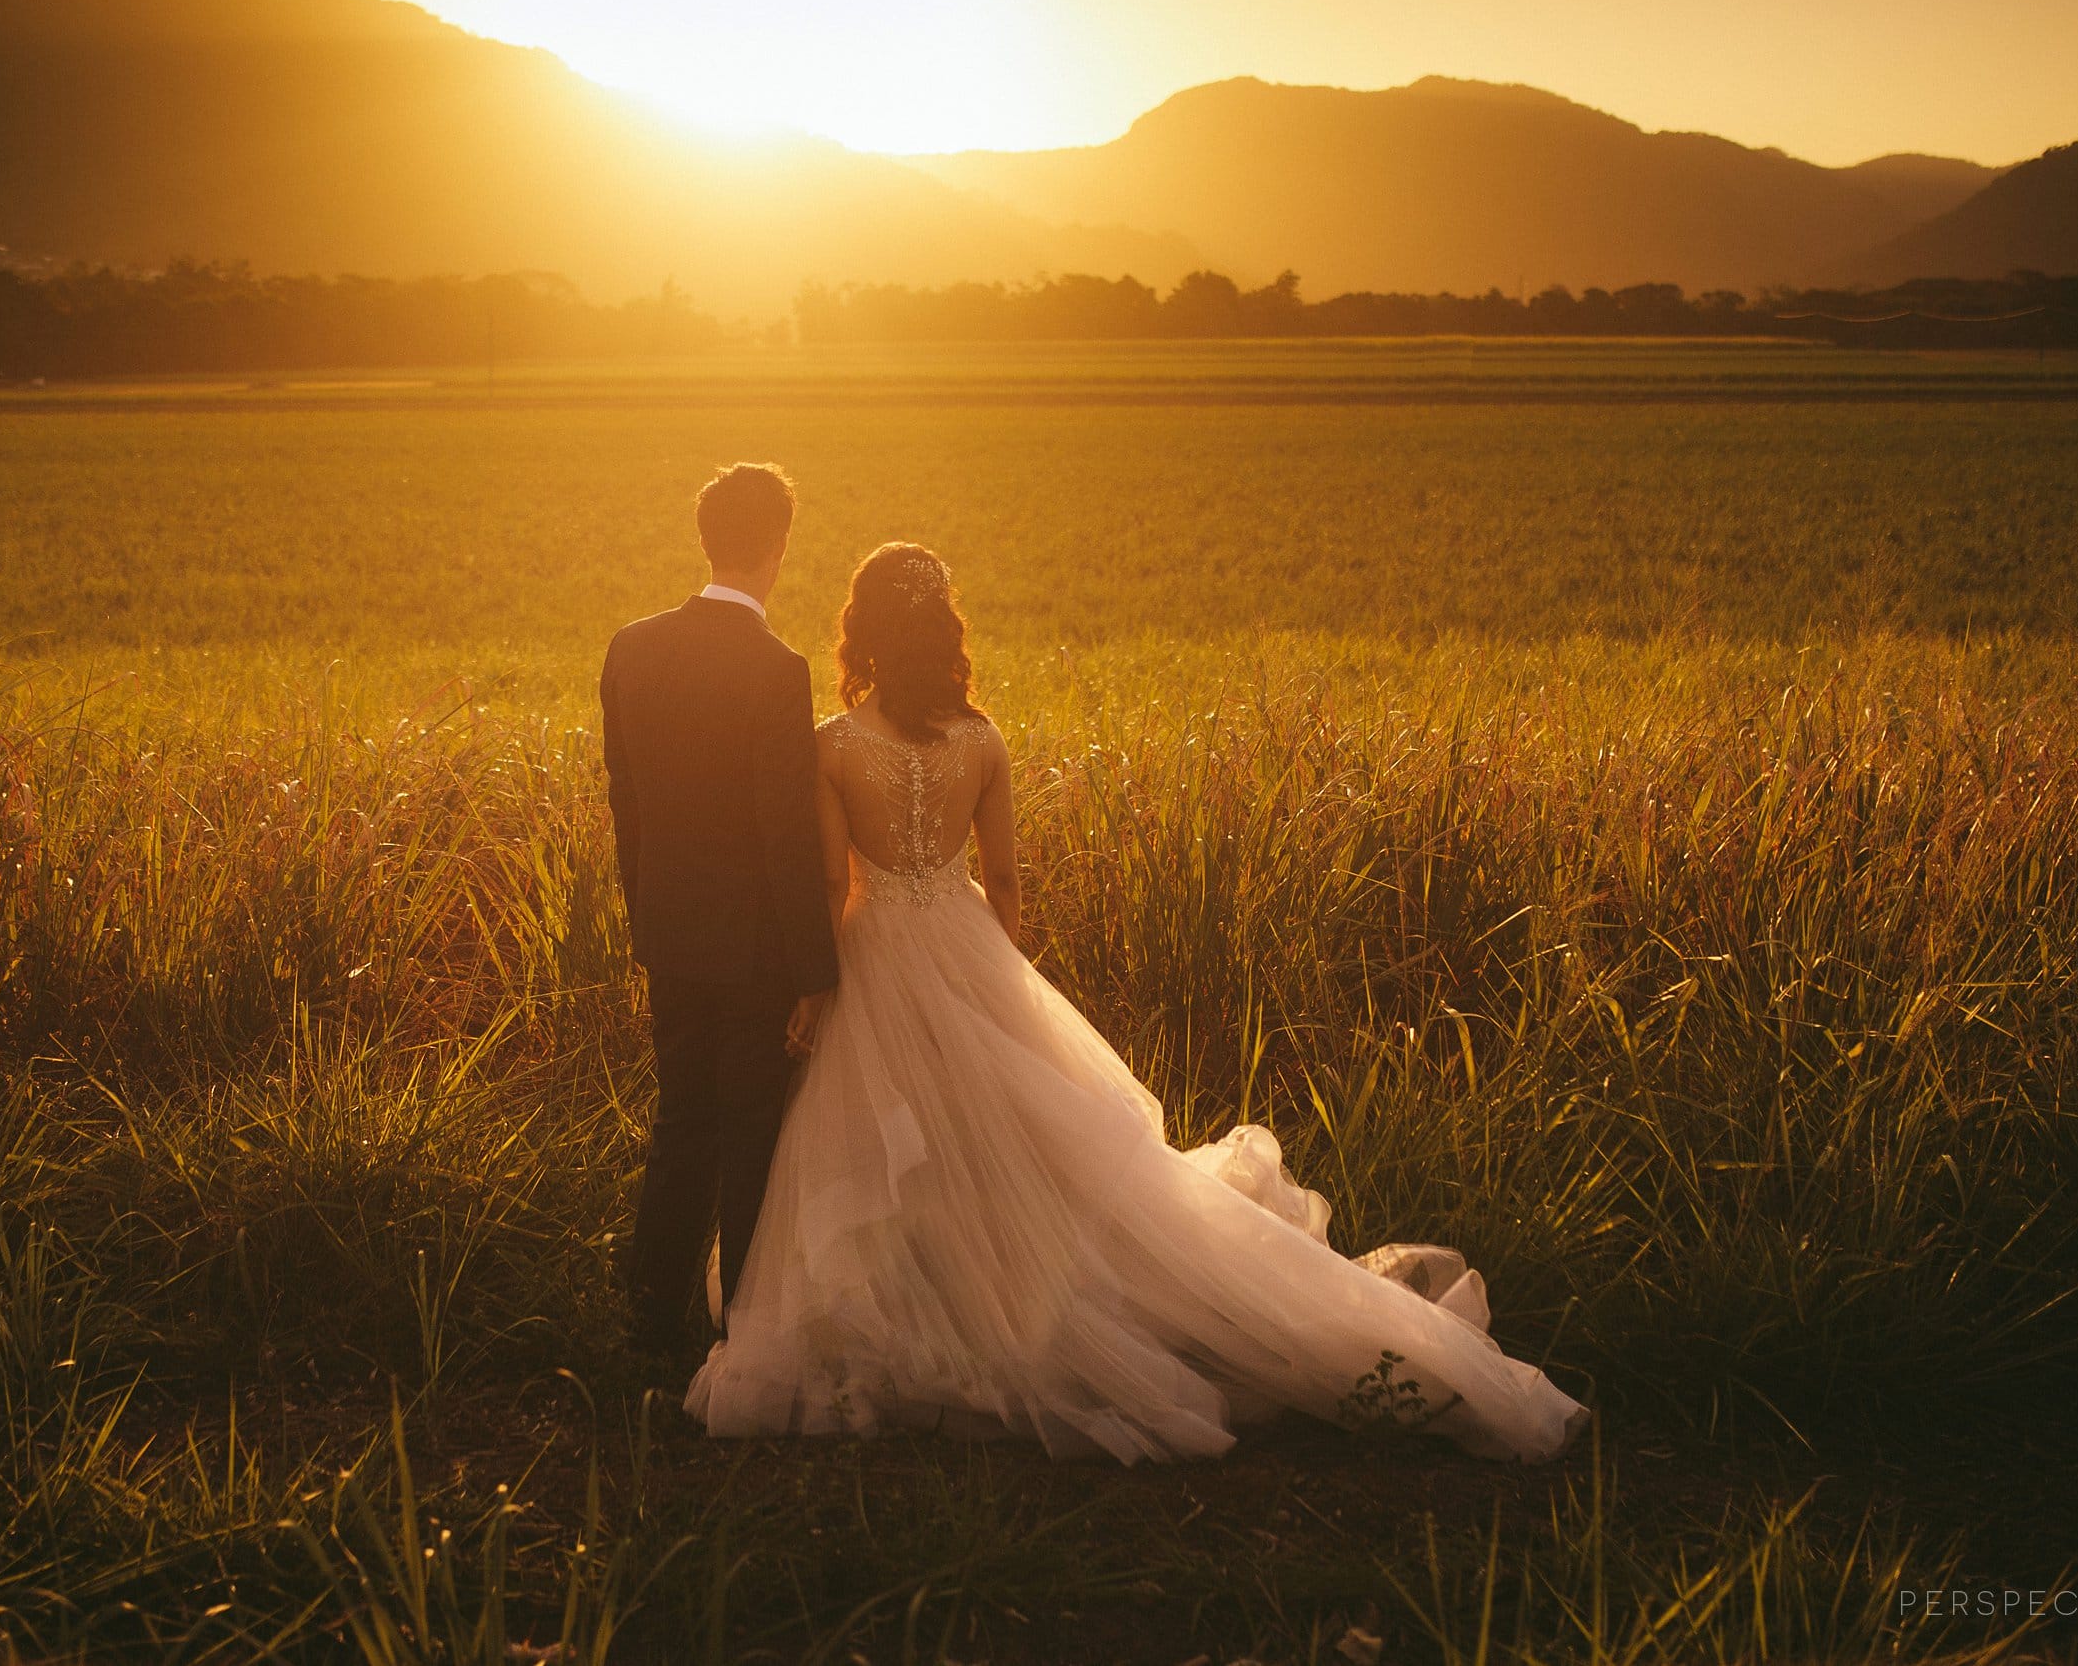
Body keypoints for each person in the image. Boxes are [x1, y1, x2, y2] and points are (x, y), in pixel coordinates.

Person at [685, 542, 1587, 1463]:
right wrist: (998, 981)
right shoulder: (982, 739)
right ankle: (1015, 1305)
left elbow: (837, 887)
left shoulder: (834, 747)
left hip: (878, 957)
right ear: (941, 632)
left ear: (861, 631)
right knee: (1011, 1149)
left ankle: (924, 1309)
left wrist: (818, 992)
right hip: (966, 947)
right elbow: (1002, 878)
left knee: (890, 1152)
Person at [600, 463, 839, 1355]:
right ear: (778, 549)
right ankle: (742, 1335)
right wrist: (815, 974)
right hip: (754, 955)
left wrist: (648, 922)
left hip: (670, 936)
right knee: (749, 1136)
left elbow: (626, 802)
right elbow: (785, 831)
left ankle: (646, 1320)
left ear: (705, 540)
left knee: (679, 1122)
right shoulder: (778, 670)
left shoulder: (633, 646)